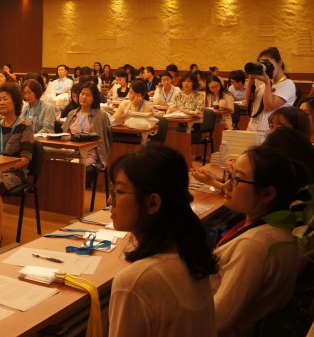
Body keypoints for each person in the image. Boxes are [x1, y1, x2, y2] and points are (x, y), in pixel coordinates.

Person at [107, 144, 218, 337]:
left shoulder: (135, 282)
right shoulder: (193, 258)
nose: (110, 201)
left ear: (152, 203)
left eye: (119, 192)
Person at [211, 145, 312, 337]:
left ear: (267, 194)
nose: (227, 185)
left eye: (237, 179)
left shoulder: (254, 246)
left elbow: (216, 322)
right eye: (230, 175)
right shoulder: (282, 228)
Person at [0, 82, 35, 193]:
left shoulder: (26, 127)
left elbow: (25, 159)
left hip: (15, 172)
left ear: (15, 101)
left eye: (5, 99)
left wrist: (2, 168)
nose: (1, 103)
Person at [246, 47, 296, 133]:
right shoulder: (263, 86)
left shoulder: (288, 84)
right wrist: (251, 80)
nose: (266, 68)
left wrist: (267, 82)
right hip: (253, 130)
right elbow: (248, 101)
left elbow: (269, 106)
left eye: (268, 63)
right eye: (262, 64)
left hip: (271, 134)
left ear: (279, 62)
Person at [62, 82, 112, 166]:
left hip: (89, 154)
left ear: (94, 98)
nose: (84, 97)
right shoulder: (71, 114)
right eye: (82, 94)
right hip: (71, 151)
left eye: (88, 95)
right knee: (54, 162)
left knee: (72, 165)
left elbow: (104, 140)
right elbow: (65, 135)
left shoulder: (101, 116)